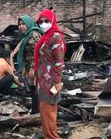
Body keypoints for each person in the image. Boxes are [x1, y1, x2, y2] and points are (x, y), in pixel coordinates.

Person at [34, 9, 66, 139]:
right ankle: (48, 135)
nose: (43, 24)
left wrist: (57, 80)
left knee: (49, 112)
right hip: (43, 81)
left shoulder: (56, 37)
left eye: (46, 21)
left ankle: (52, 137)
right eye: (41, 22)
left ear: (52, 21)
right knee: (45, 112)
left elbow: (59, 61)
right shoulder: (46, 37)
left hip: (51, 82)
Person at [11, 14, 43, 114]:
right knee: (33, 90)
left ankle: (38, 112)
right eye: (19, 24)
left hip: (37, 67)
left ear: (28, 24)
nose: (21, 26)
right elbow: (26, 54)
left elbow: (37, 53)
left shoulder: (34, 35)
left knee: (37, 90)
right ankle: (35, 111)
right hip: (30, 66)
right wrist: (25, 67)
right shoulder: (26, 36)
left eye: (23, 24)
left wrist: (33, 68)